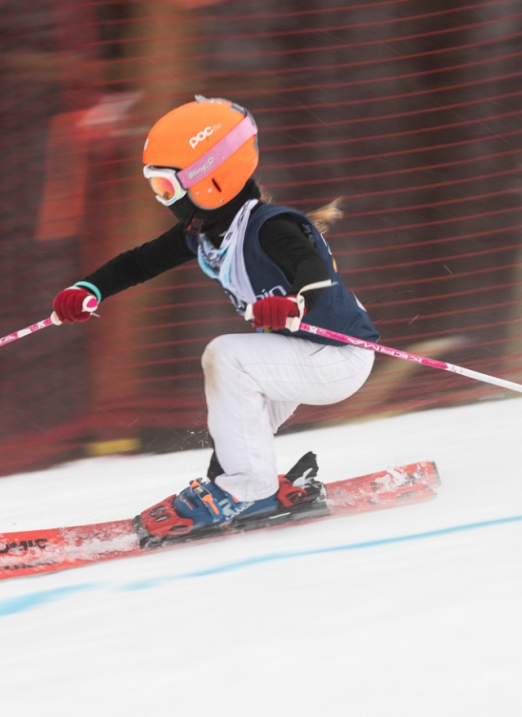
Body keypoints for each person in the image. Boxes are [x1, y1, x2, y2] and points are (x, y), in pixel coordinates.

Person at [49, 96, 380, 541]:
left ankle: (249, 492)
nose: (162, 199)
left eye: (167, 187)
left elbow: (313, 272)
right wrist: (87, 289)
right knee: (240, 413)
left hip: (335, 355)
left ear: (210, 179)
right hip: (297, 352)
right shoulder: (205, 232)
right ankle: (241, 485)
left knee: (226, 356)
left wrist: (295, 304)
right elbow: (138, 262)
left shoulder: (271, 226)